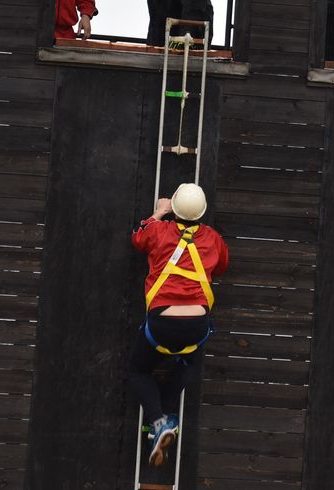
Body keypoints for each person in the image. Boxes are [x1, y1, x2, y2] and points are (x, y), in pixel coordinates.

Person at [126, 183, 229, 467]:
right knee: (187, 363)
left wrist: (158, 213)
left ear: (175, 207)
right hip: (197, 323)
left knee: (138, 371)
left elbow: (138, 239)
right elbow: (221, 267)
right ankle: (169, 416)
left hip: (162, 322)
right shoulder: (213, 238)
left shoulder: (159, 230)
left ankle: (159, 421)